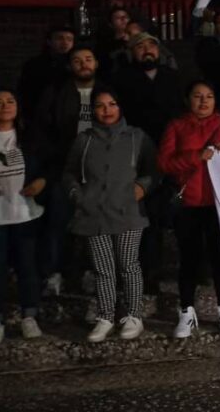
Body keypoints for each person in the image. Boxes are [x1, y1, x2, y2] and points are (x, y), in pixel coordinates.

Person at [64, 88, 156, 343]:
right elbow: (69, 172)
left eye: (112, 104)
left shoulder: (137, 137)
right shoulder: (84, 140)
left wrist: (141, 188)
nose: (107, 110)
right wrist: (76, 195)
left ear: (120, 107)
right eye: (101, 106)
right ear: (93, 110)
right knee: (103, 269)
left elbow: (152, 169)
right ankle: (105, 316)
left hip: (128, 211)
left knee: (128, 264)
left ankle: (134, 315)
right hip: (93, 212)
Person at [158, 81, 220, 338]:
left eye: (209, 96)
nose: (203, 101)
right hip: (189, 204)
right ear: (188, 100)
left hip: (219, 205)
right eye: (198, 96)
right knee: (189, 260)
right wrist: (196, 157)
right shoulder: (177, 126)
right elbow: (164, 163)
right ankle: (186, 311)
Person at [112, 31, 185, 293]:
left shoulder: (174, 78)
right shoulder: (122, 80)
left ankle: (192, 269)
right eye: (139, 46)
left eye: (151, 45)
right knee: (145, 215)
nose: (146, 50)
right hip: (137, 154)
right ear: (132, 52)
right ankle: (147, 272)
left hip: (173, 151)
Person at [33, 46, 104, 296]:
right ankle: (54, 274)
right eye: (77, 61)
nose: (83, 64)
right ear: (69, 66)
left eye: (88, 59)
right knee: (58, 222)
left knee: (95, 225)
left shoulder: (108, 92)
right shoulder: (55, 93)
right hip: (65, 169)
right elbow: (43, 131)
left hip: (99, 171)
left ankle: (90, 272)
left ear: (96, 63)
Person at [0, 88, 46, 343]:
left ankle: (29, 316)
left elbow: (47, 166)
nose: (5, 105)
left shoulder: (29, 138)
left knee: (27, 266)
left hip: (24, 212)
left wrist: (41, 181)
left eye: (10, 101)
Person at [17, 25, 74, 120]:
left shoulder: (75, 64)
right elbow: (25, 92)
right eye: (60, 38)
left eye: (69, 39)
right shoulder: (34, 64)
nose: (65, 42)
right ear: (49, 41)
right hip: (39, 116)